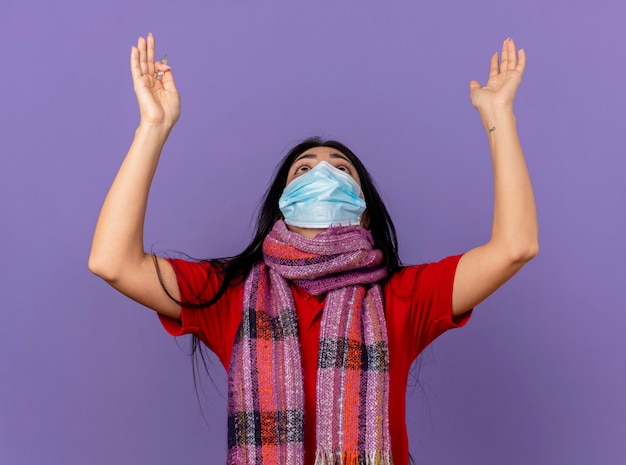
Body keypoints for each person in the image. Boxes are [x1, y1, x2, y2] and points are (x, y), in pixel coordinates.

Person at [89, 33, 537, 465]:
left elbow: (515, 247)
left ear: (362, 210)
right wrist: (154, 125)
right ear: (283, 205)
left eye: (340, 169)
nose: (322, 172)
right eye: (303, 169)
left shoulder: (403, 295)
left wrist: (500, 117)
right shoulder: (231, 292)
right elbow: (112, 262)